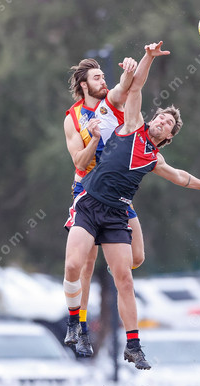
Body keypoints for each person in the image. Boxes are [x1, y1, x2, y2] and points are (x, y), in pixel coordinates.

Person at [63, 41, 200, 370]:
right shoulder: (132, 125)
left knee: (126, 275)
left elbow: (179, 176)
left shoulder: (154, 158)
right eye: (161, 117)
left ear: (167, 138)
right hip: (90, 202)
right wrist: (148, 57)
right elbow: (134, 86)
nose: (162, 121)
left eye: (168, 124)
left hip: (116, 212)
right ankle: (75, 324)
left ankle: (133, 346)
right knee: (74, 266)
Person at [64, 56, 148, 357]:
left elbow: (128, 85)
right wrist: (94, 138)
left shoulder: (111, 103)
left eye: (104, 76)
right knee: (85, 264)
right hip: (88, 190)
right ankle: (81, 328)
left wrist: (138, 63)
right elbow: (79, 162)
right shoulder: (73, 118)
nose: (104, 81)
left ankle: (115, 259)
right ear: (84, 85)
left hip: (116, 194)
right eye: (97, 77)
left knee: (136, 258)